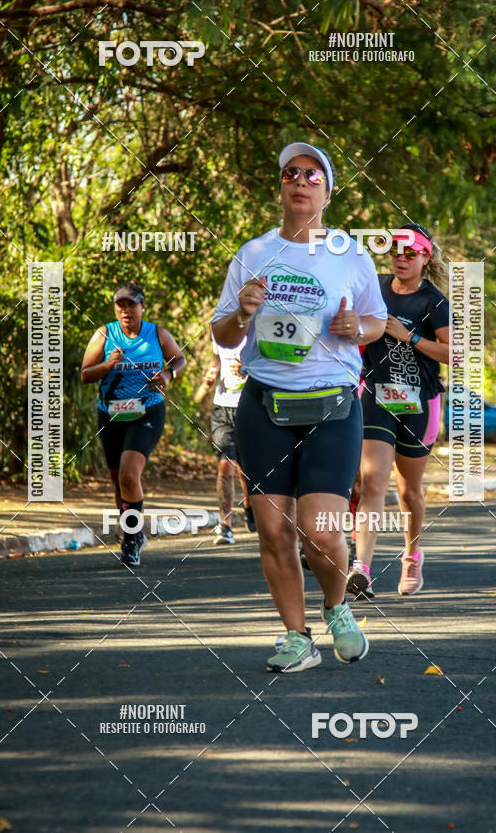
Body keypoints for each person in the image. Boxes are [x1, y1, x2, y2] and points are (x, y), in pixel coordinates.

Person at [212, 142, 387, 672]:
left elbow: (377, 321)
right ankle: (296, 637)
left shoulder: (351, 254)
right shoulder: (253, 253)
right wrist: (242, 313)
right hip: (264, 403)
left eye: (313, 174)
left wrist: (358, 328)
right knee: (273, 528)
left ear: (327, 192)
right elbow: (222, 334)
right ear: (281, 187)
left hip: (332, 404)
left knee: (322, 527)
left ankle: (336, 607)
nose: (301, 180)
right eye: (291, 172)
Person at [347, 224, 451, 599]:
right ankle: (362, 569)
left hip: (420, 401)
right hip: (376, 395)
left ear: (425, 257)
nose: (401, 258)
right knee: (373, 483)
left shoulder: (433, 301)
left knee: (409, 492)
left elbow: (455, 353)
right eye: (395, 250)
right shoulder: (373, 285)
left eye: (411, 252)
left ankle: (411, 555)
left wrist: (410, 337)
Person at [81, 283, 186, 566]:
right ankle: (134, 532)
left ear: (142, 306)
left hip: (147, 413)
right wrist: (106, 365)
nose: (125, 311)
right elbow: (85, 375)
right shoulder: (104, 334)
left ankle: (129, 541)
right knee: (118, 483)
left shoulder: (157, 333)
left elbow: (179, 358)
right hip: (111, 415)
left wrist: (168, 375)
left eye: (131, 305)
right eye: (120, 306)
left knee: (129, 475)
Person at [202, 335, 256, 545]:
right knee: (226, 465)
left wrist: (249, 368)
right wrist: (212, 372)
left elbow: (274, 367)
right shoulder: (221, 328)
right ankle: (225, 526)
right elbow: (216, 358)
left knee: (249, 468)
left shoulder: (261, 324)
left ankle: (250, 506)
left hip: (252, 406)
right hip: (223, 406)